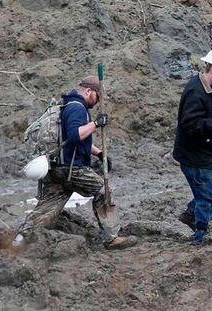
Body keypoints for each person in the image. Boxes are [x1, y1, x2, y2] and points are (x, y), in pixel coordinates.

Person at [19, 76, 136, 248]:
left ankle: (20, 240)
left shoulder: (66, 105)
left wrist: (98, 152)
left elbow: (70, 138)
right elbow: (75, 135)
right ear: (89, 92)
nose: (97, 103)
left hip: (56, 167)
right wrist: (96, 124)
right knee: (104, 191)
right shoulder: (77, 108)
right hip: (72, 168)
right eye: (97, 97)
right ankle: (112, 238)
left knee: (47, 208)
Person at [173, 46, 212, 245]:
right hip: (197, 157)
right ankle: (201, 235)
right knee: (208, 197)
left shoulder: (211, 91)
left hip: (211, 154)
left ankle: (192, 214)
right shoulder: (195, 91)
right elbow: (190, 124)